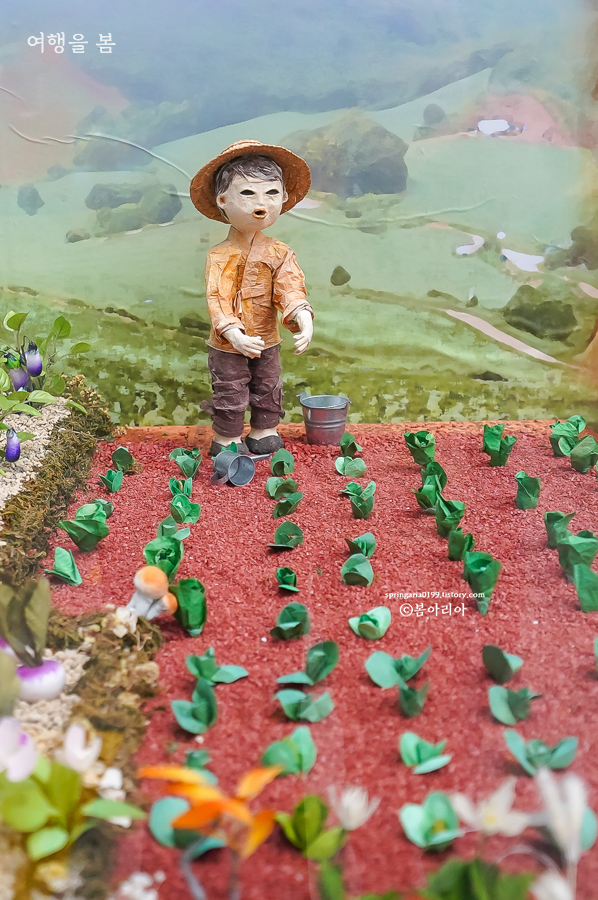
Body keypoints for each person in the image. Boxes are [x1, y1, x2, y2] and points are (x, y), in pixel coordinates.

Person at [190, 140, 314, 456]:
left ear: (284, 197)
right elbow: (217, 297)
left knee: (268, 385)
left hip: (267, 339)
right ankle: (227, 437)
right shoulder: (220, 255)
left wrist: (302, 315)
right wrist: (233, 333)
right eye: (247, 193)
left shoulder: (279, 252)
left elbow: (289, 286)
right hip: (228, 344)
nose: (261, 203)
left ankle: (264, 431)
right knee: (230, 388)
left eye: (271, 193)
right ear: (222, 200)